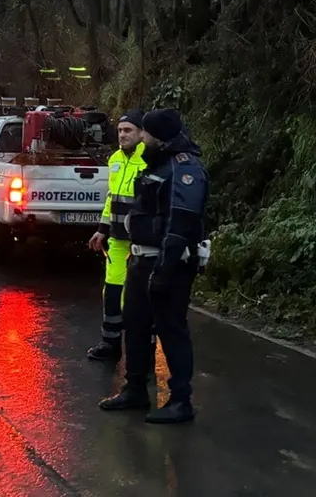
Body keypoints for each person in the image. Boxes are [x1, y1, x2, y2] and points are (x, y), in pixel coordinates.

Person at [100, 107, 208, 424]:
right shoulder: (156, 163)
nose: (142, 137)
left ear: (158, 136)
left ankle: (181, 400)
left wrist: (164, 270)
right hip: (140, 259)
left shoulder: (184, 169)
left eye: (145, 132)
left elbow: (180, 224)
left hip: (168, 264)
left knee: (171, 329)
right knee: (135, 325)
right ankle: (135, 389)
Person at [86, 109, 147, 362]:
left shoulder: (149, 160)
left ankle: (142, 350)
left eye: (128, 130)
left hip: (143, 242)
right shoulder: (115, 160)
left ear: (142, 133)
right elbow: (112, 198)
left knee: (140, 297)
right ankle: (110, 343)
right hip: (118, 240)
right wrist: (102, 230)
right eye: (120, 130)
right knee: (111, 292)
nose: (122, 135)